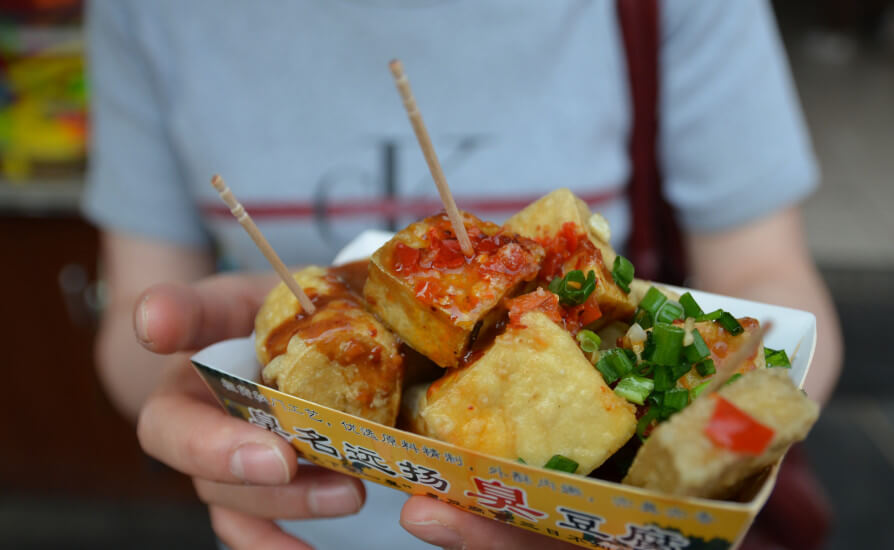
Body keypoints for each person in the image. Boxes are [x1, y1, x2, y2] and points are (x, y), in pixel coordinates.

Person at [84, 1, 843, 549]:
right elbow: (131, 342)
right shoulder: (147, 14)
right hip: (305, 529)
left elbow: (771, 276)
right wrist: (191, 380)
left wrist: (724, 444)